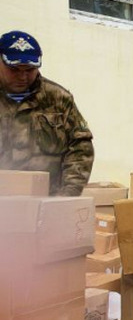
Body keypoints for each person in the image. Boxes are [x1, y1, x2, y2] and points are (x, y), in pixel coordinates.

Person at [0, 30, 94, 196]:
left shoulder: (58, 99)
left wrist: (68, 193)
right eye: (14, 69)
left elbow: (80, 148)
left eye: (30, 69)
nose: (23, 76)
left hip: (48, 201)